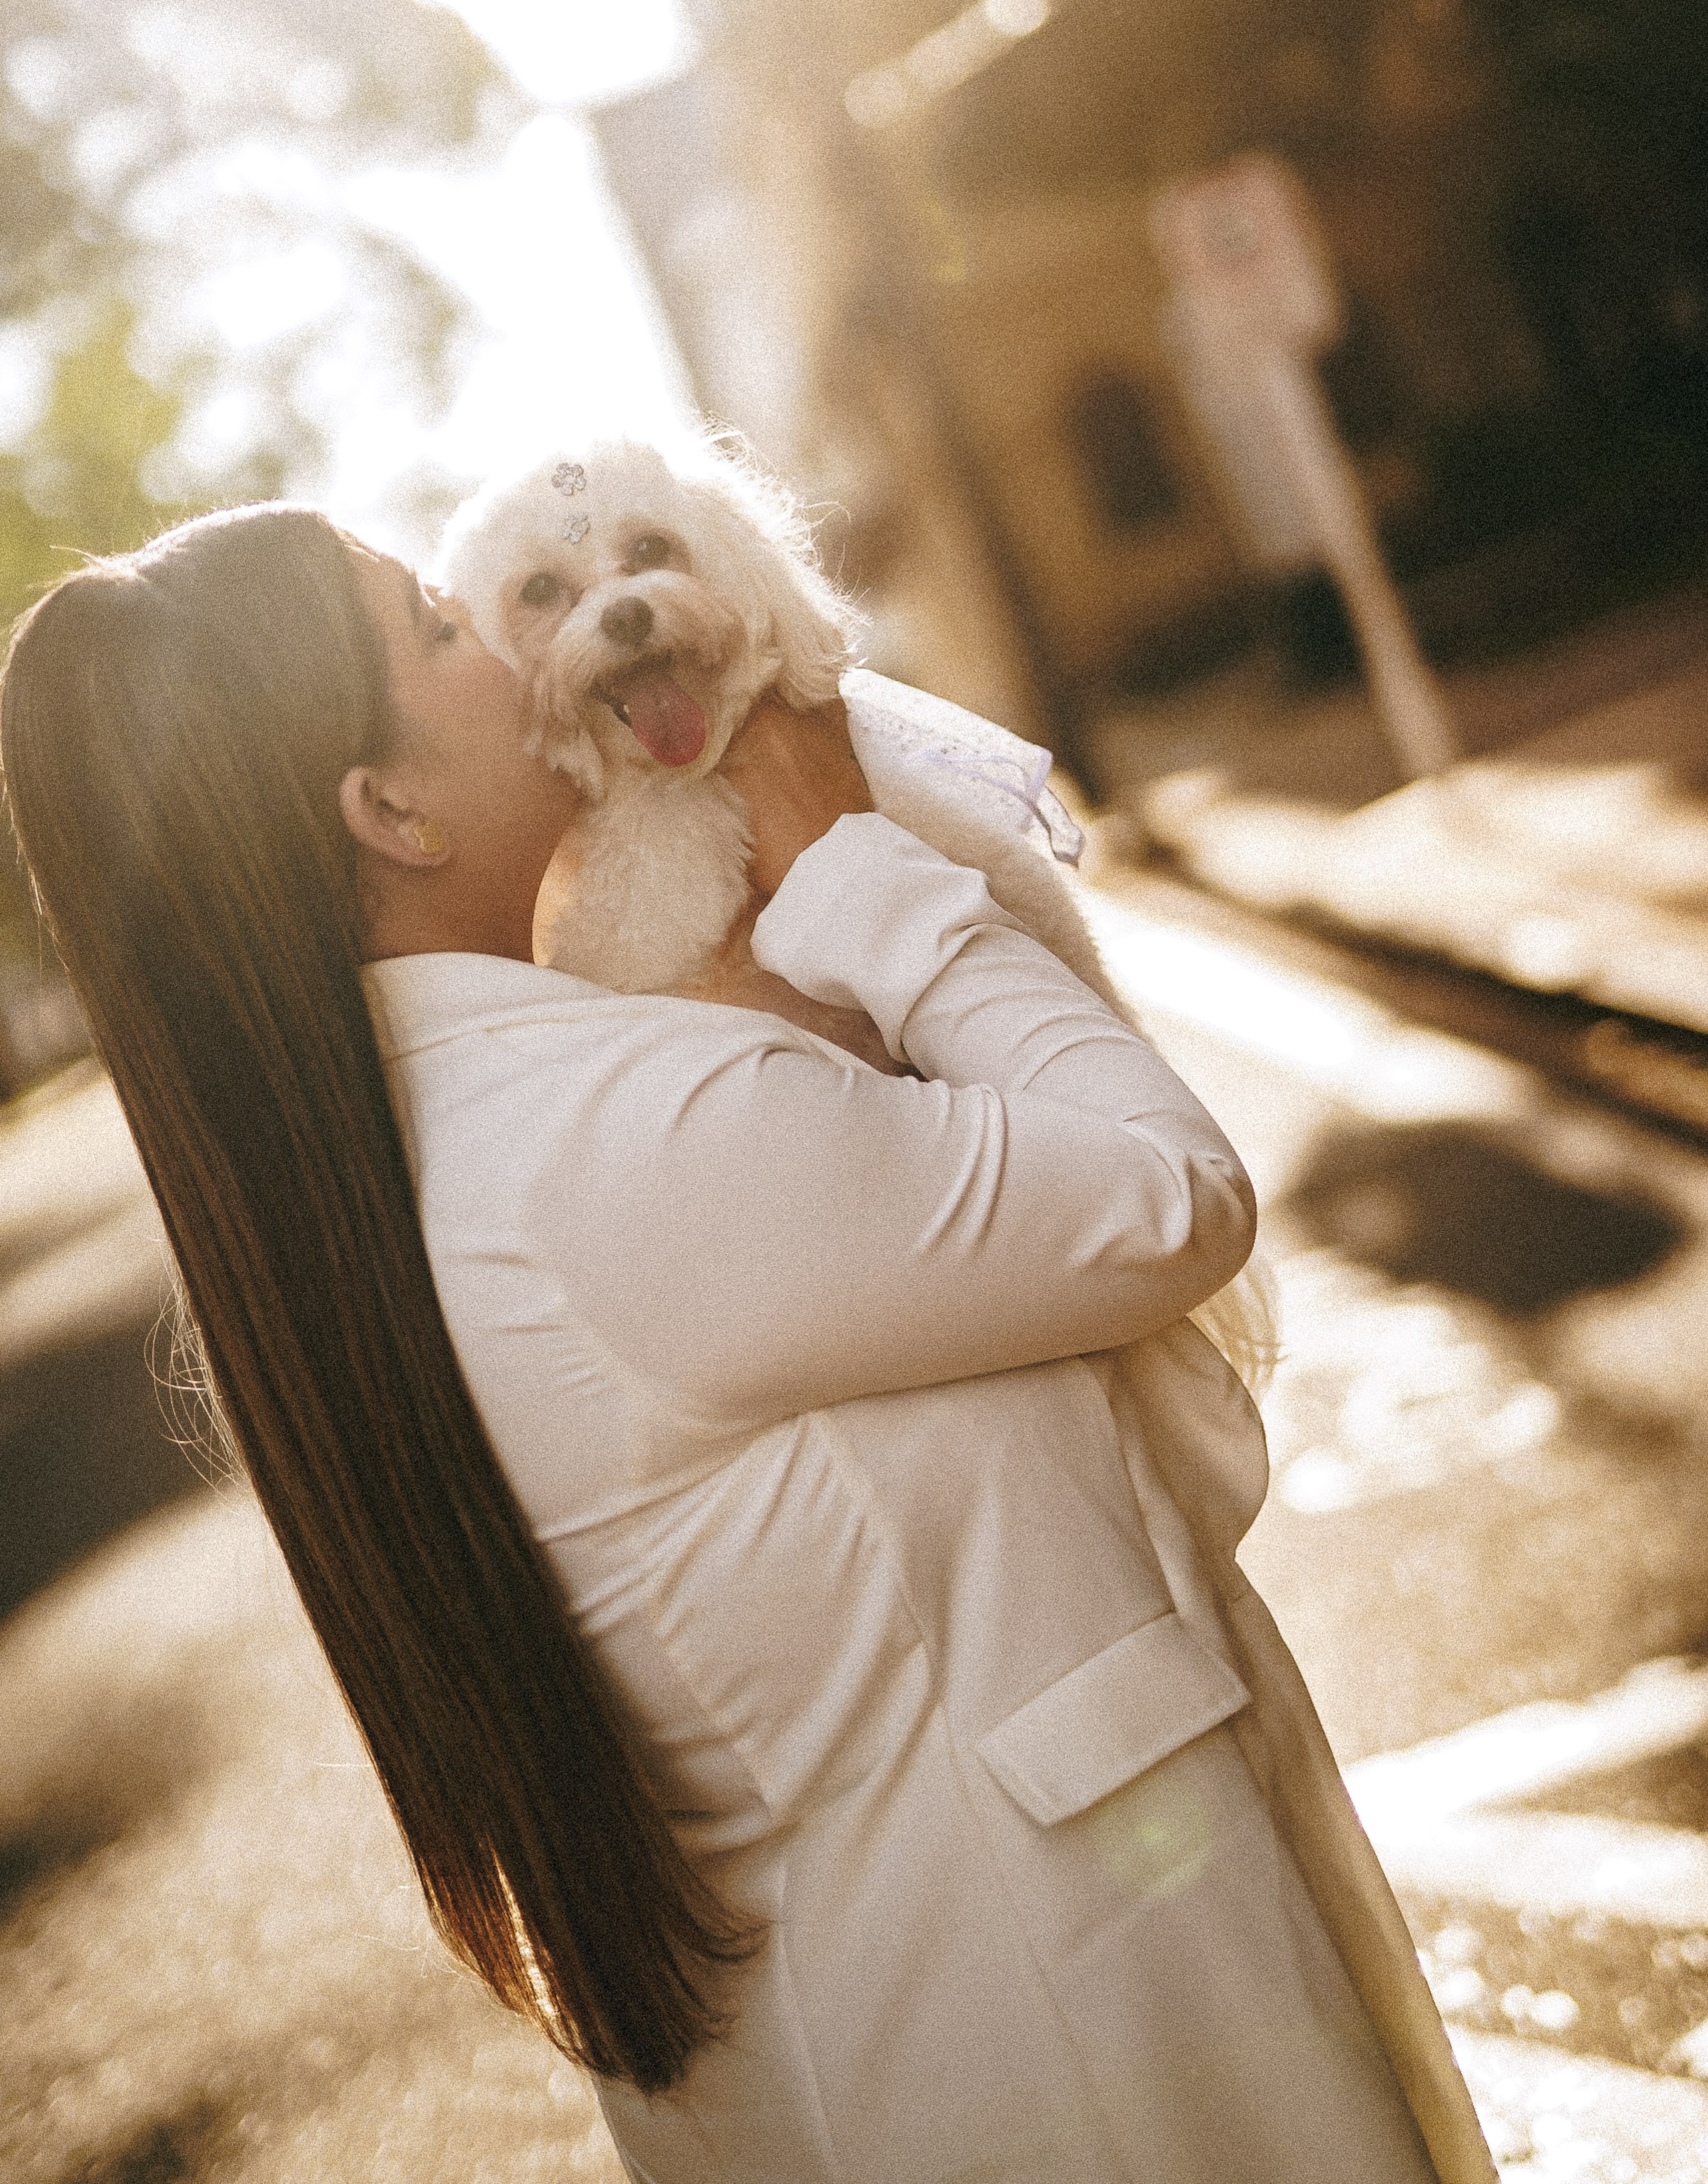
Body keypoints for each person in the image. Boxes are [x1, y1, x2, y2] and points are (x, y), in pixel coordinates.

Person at [0, 502, 1489, 2184]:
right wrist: (853, 863)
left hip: (914, 2046)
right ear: (389, 809)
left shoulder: (428, 1159)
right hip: (1100, 2046)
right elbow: (1168, 1199)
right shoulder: (611, 1137)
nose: (503, 639)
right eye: (435, 622)